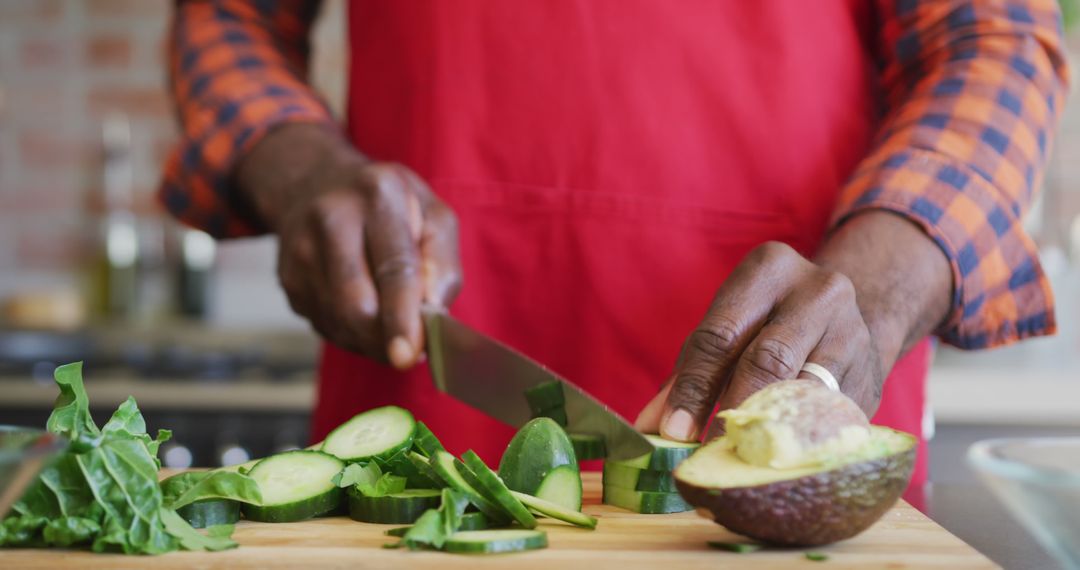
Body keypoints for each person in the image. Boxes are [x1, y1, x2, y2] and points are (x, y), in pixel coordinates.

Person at [161, 0, 1068, 497]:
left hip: (791, 376)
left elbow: (994, 42)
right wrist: (300, 166)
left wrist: (877, 287)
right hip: (421, 400)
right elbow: (226, 19)